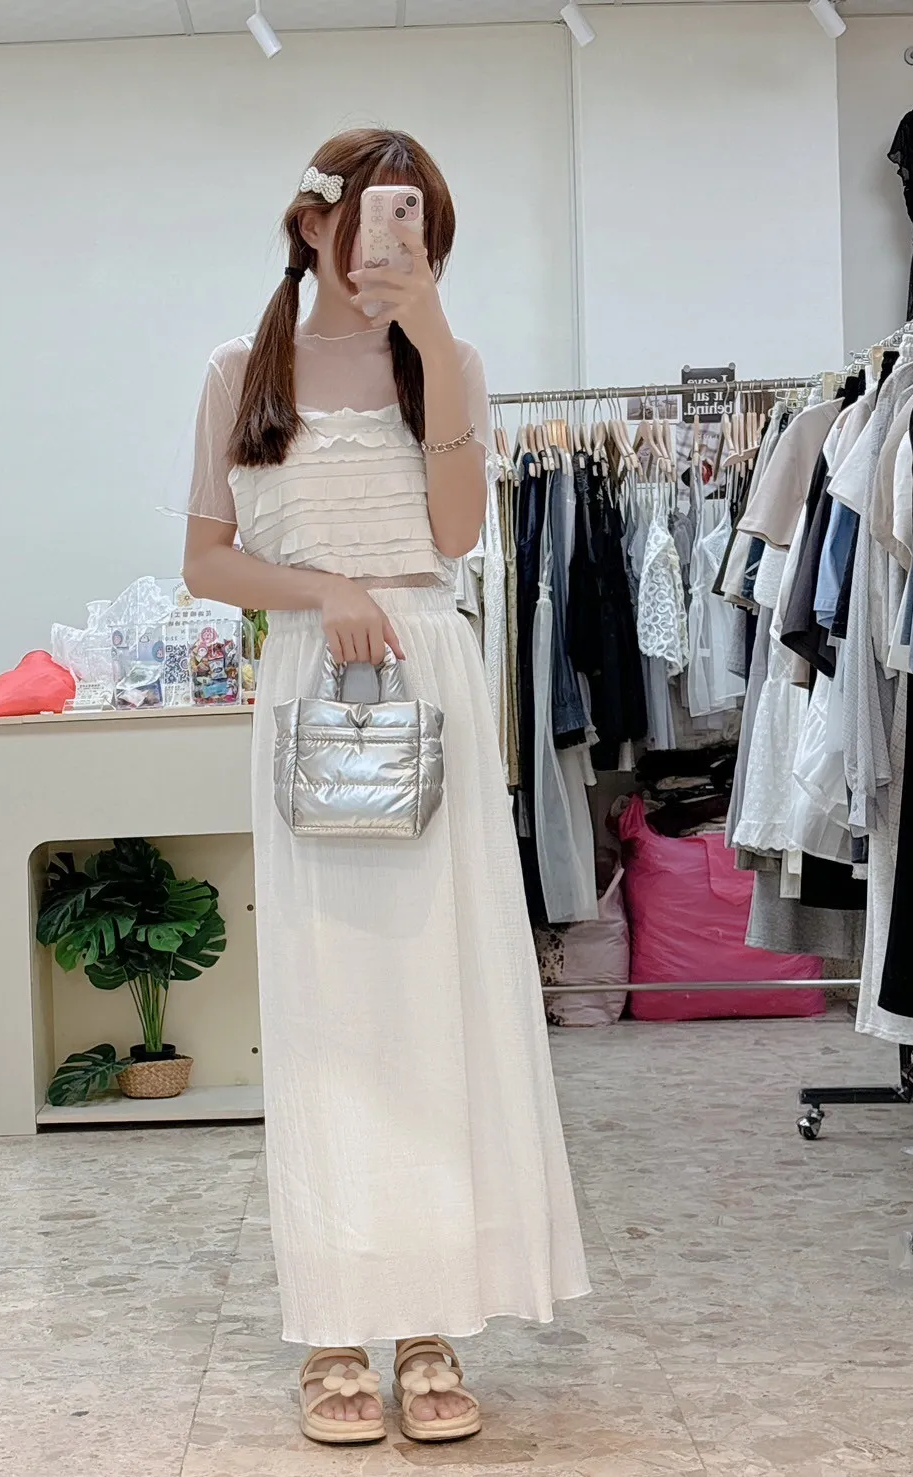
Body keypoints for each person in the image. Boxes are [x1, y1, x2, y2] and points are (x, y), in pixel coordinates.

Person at [183, 127, 589, 1447]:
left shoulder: (447, 363)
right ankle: (332, 1328)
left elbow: (459, 534)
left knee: (438, 1006)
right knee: (329, 1013)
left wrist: (434, 336)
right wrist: (324, 589)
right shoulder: (242, 370)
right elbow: (205, 561)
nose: (393, 244)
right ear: (316, 226)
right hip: (318, 679)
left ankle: (427, 1324)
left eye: (418, 226)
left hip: (430, 675)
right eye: (372, 218)